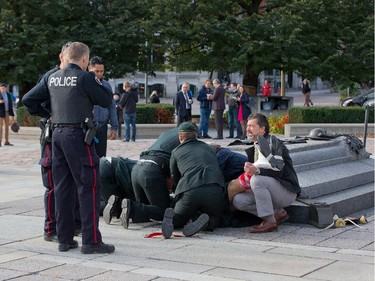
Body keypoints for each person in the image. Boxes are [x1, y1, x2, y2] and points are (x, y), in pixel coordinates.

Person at [22, 42, 115, 254]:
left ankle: (64, 239)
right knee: (88, 186)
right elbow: (105, 99)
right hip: (78, 136)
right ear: (84, 59)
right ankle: (91, 241)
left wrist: (48, 113)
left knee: (62, 187)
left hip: (56, 135)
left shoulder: (52, 76)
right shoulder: (85, 77)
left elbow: (28, 99)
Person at [24, 42, 82, 243]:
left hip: (68, 136)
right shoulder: (51, 77)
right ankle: (51, 229)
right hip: (52, 137)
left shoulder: (75, 77)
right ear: (61, 57)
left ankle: (72, 225)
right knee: (53, 185)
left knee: (72, 182)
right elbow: (29, 100)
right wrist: (50, 115)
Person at [232, 113, 301, 233]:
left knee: (257, 180)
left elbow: (280, 170)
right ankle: (279, 213)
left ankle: (270, 221)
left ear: (262, 129)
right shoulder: (255, 146)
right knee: (238, 201)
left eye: (252, 126)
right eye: (247, 125)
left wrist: (257, 171)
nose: (247, 129)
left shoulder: (273, 142)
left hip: (286, 191)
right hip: (273, 189)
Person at [161, 122, 226, 238]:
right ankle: (206, 224)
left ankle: (173, 220)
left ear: (180, 137)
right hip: (214, 188)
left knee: (180, 217)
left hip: (189, 189)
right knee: (215, 217)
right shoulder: (209, 148)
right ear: (196, 136)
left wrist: (177, 196)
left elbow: (174, 176)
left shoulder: (176, 152)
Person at [119, 127, 180, 229]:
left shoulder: (166, 134)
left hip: (137, 167)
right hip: (151, 170)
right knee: (164, 211)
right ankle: (132, 208)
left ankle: (118, 206)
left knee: (145, 210)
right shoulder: (185, 140)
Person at [89, 56, 118, 157]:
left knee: (101, 157)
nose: (99, 74)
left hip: (102, 127)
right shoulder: (85, 84)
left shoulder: (106, 85)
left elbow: (112, 107)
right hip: (89, 127)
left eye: (102, 71)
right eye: (97, 71)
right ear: (90, 69)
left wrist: (114, 127)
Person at [99, 156, 137, 224]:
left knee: (109, 202)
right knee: (120, 206)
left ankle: (80, 207)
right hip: (108, 173)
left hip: (104, 163)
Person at [0, 82, 15, 146]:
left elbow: (10, 104)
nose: (3, 90)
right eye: (1, 88)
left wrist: (12, 114)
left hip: (7, 112)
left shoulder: (8, 95)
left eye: (4, 88)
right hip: (0, 113)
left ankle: (6, 141)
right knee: (0, 128)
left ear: (6, 88)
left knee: (7, 127)